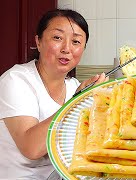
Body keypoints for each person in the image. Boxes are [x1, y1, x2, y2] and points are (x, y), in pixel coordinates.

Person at [0, 9, 108, 179]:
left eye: (76, 42)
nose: (66, 48)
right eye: (57, 38)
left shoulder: (73, 86)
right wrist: (77, 102)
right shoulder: (15, 80)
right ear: (39, 41)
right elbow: (32, 148)